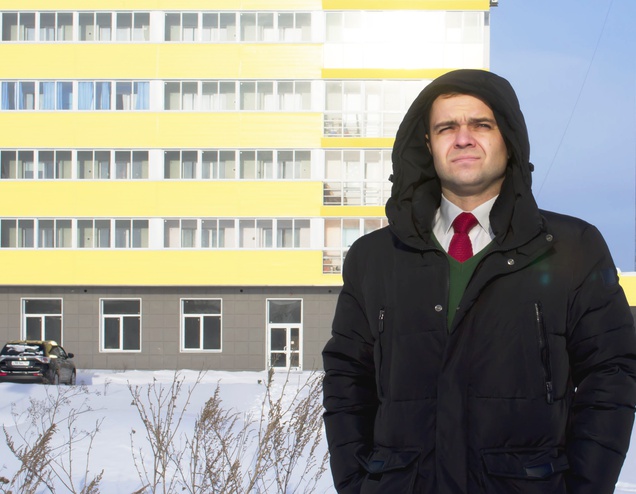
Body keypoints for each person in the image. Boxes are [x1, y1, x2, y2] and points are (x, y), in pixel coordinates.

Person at [322, 69, 636, 494]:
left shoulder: (574, 248)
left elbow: (611, 374)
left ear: (509, 139)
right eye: (446, 127)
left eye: (481, 125)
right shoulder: (373, 258)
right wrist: (360, 484)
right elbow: (346, 381)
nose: (463, 138)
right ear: (427, 144)